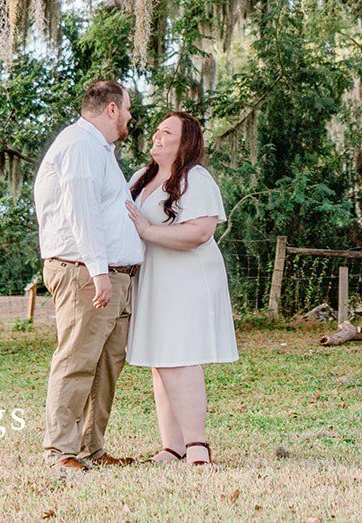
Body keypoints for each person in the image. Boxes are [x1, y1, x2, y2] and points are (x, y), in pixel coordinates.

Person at [33, 79, 145, 471]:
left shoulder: (100, 151)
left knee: (107, 365)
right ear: (111, 109)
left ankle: (91, 447)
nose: (130, 116)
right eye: (128, 108)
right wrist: (98, 271)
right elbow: (81, 211)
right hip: (86, 271)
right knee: (77, 359)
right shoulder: (80, 144)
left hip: (113, 275)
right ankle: (60, 451)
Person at [124, 111, 239, 466]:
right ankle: (171, 446)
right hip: (154, 278)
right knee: (161, 360)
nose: (157, 136)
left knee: (181, 358)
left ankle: (197, 445)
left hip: (188, 278)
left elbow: (200, 232)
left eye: (167, 132)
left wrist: (147, 231)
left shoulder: (195, 178)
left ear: (185, 142)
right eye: (157, 130)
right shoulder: (141, 178)